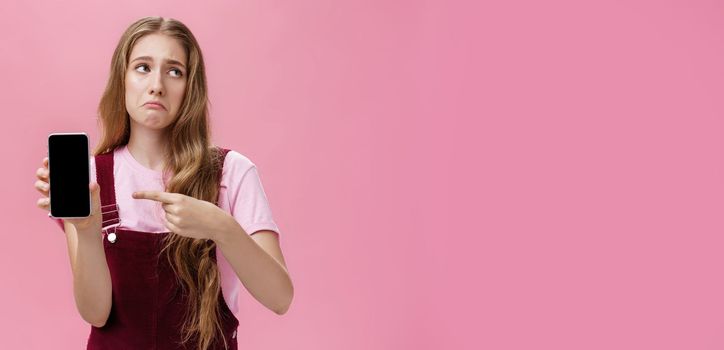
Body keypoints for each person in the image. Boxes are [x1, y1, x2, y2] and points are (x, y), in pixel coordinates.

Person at [32, 16, 293, 350]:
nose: (157, 84)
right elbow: (96, 314)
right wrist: (86, 230)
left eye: (174, 71)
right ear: (121, 79)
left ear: (190, 87)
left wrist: (222, 228)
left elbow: (279, 298)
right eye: (142, 67)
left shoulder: (231, 172)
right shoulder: (90, 180)